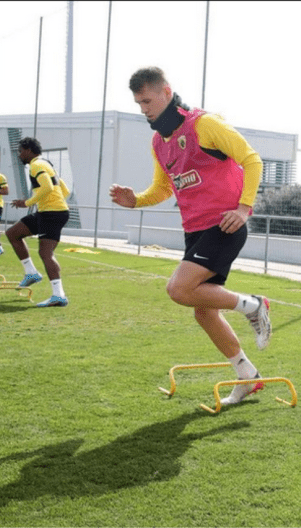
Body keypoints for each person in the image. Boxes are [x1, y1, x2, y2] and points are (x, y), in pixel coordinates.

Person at [110, 67, 271, 406]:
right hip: (195, 231)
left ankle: (254, 305)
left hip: (225, 225)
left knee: (178, 289)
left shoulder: (204, 124)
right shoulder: (159, 142)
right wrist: (136, 200)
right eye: (139, 104)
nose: (144, 110)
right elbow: (162, 188)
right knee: (204, 312)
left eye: (148, 101)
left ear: (166, 92)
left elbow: (252, 160)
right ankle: (247, 376)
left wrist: (244, 209)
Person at [6, 137, 71, 307]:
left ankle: (59, 296)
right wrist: (52, 203)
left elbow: (48, 187)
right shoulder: (46, 164)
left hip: (51, 214)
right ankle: (31, 273)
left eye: (21, 151)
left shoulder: (36, 165)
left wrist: (28, 203)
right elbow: (65, 190)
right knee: (12, 233)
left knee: (45, 253)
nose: (19, 155)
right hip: (48, 212)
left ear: (28, 150)